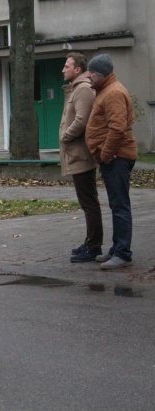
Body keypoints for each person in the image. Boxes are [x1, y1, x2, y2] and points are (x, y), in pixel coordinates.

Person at [85, 54, 137, 270]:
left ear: (101, 74)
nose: (88, 76)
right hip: (114, 157)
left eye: (91, 73)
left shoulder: (113, 92)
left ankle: (123, 253)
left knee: (120, 206)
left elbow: (117, 128)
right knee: (116, 205)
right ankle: (117, 249)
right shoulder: (106, 90)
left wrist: (106, 154)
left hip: (117, 158)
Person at [59, 53, 103, 263]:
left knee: (89, 202)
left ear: (77, 69)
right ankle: (90, 242)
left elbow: (82, 120)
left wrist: (65, 136)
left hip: (81, 155)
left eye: (66, 66)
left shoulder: (83, 89)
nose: (63, 69)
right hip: (77, 154)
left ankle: (94, 247)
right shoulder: (77, 88)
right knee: (87, 202)